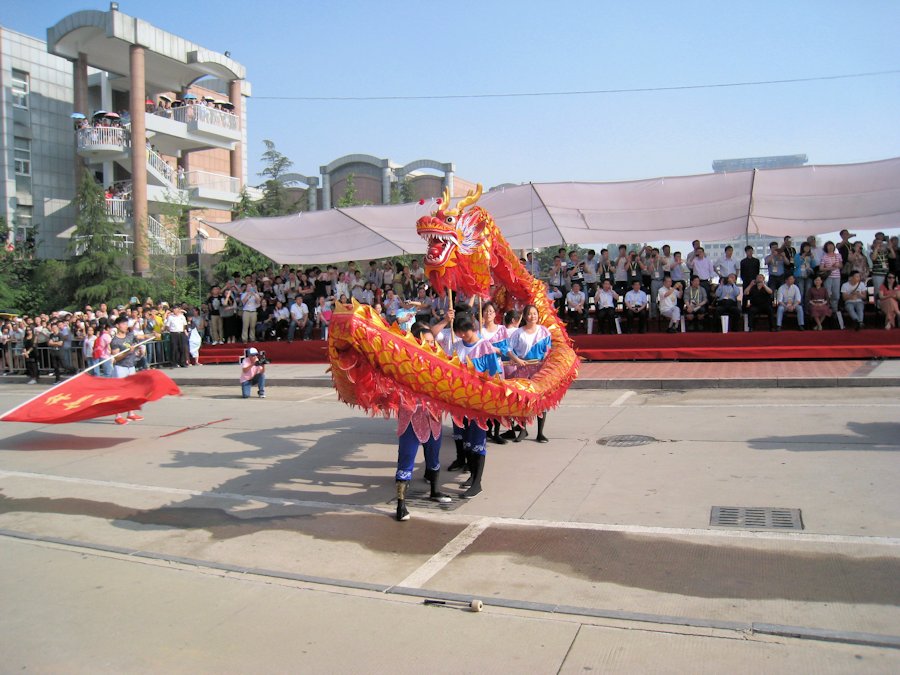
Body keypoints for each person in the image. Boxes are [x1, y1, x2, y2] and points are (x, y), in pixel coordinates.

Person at [393, 322, 452, 522]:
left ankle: (435, 491)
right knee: (406, 459)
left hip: (432, 417)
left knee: (434, 457)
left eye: (432, 341)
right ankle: (401, 505)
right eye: (426, 342)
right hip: (411, 416)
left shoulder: (438, 362)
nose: (431, 345)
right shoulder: (404, 362)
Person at [449, 312, 503, 498]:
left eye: (463, 332)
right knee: (466, 442)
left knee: (478, 441)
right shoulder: (456, 347)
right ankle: (472, 476)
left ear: (469, 329)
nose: (461, 336)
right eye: (458, 333)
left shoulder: (485, 347)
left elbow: (493, 375)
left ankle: (477, 482)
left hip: (479, 402)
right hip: (460, 401)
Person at [507, 304, 551, 445]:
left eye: (535, 313)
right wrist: (517, 360)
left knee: (540, 400)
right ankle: (522, 429)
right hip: (522, 369)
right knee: (522, 400)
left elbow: (548, 349)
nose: (533, 316)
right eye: (530, 314)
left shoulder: (544, 332)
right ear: (525, 316)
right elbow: (508, 349)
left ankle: (540, 433)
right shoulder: (518, 333)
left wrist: (545, 358)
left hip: (539, 369)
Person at [478, 301, 510, 444]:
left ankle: (496, 432)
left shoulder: (501, 329)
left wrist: (490, 347)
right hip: (482, 369)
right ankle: (485, 431)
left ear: (495, 313)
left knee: (498, 399)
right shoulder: (478, 329)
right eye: (486, 311)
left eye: (491, 311)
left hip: (497, 367)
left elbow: (505, 350)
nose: (488, 314)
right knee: (484, 399)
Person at [110, 315, 142, 425]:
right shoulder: (115, 341)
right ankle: (118, 415)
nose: (125, 326)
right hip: (121, 368)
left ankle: (131, 413)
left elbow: (141, 337)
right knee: (120, 392)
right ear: (117, 326)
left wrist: (153, 335)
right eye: (123, 324)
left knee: (131, 391)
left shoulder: (130, 336)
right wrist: (128, 352)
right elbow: (116, 357)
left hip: (131, 366)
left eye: (126, 323)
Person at [819, 241, 843, 316]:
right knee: (828, 294)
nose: (830, 247)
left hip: (837, 277)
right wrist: (830, 268)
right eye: (828, 246)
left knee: (836, 294)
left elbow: (841, 265)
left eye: (831, 245)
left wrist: (838, 265)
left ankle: (834, 310)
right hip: (828, 277)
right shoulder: (824, 256)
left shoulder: (838, 255)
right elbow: (821, 268)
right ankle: (827, 309)